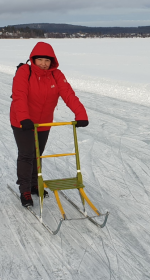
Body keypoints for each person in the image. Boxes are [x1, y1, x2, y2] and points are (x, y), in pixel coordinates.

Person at [10, 42, 89, 207]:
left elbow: (68, 94)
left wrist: (80, 114)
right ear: (33, 59)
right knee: (26, 154)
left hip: (44, 122)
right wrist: (24, 118)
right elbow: (19, 95)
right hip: (22, 121)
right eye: (40, 59)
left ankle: (34, 184)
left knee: (38, 154)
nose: (43, 64)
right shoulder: (24, 71)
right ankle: (25, 189)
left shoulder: (56, 75)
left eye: (47, 60)